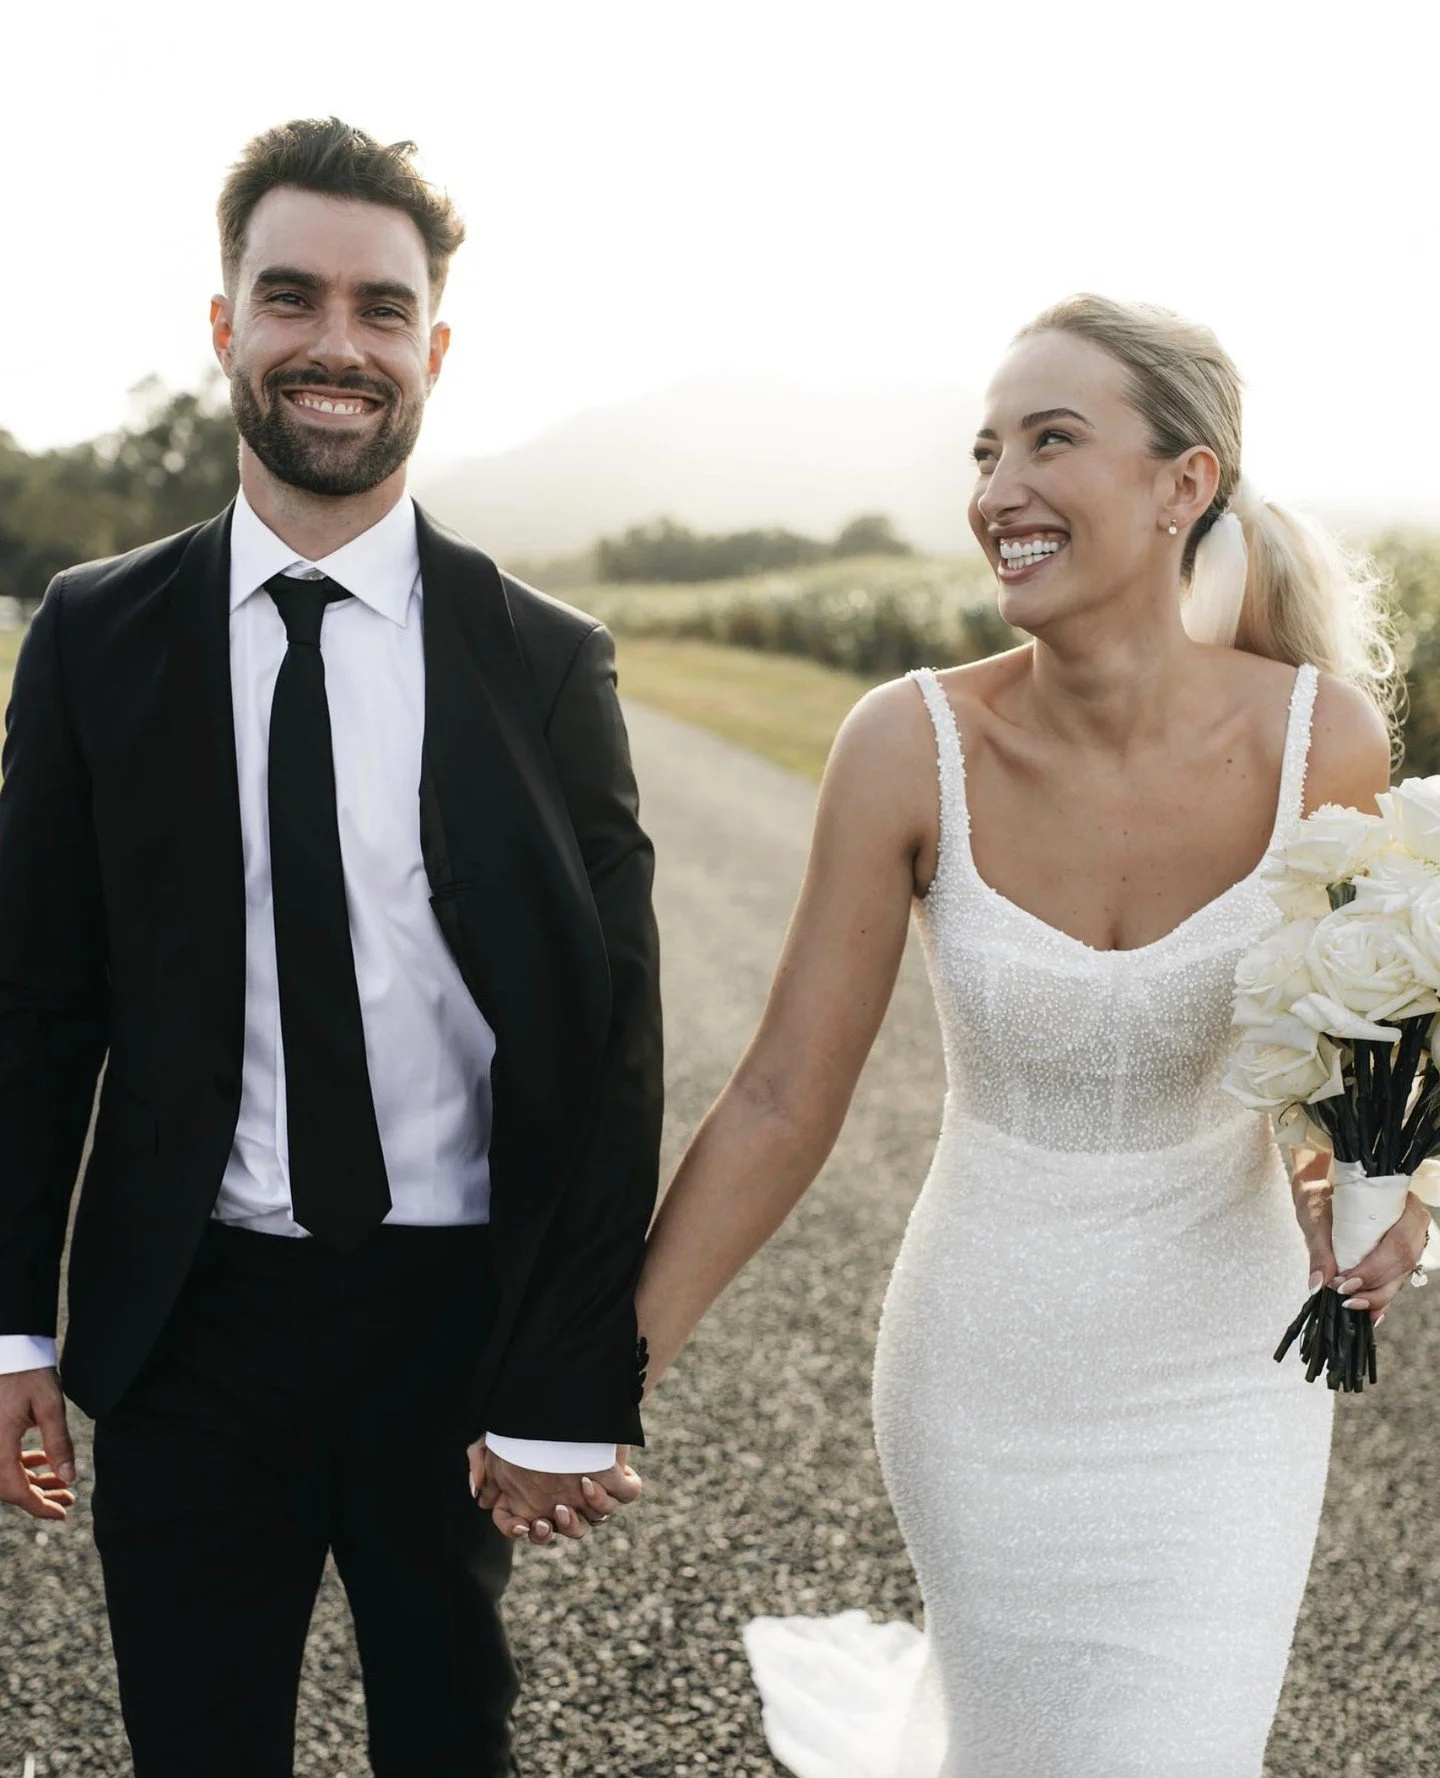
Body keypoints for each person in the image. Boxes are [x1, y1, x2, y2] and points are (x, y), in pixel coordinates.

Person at [632, 295, 1432, 1776]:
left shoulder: (1323, 738)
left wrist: (1384, 1199)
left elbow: (1342, 1066)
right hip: (981, 1372)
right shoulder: (906, 743)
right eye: (987, 450)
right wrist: (606, 1368)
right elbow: (784, 1095)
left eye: (1051, 440)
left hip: (1223, 1379)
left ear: (1184, 484)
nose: (999, 488)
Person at [0, 117, 661, 1778]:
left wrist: (570, 1376)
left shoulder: (546, 660)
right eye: (291, 296)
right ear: (226, 325)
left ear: (431, 349)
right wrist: (11, 1321)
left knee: (455, 1745)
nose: (335, 345)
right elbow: (31, 999)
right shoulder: (93, 637)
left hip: (451, 1324)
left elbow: (609, 1041)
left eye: (381, 308)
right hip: (190, 1318)